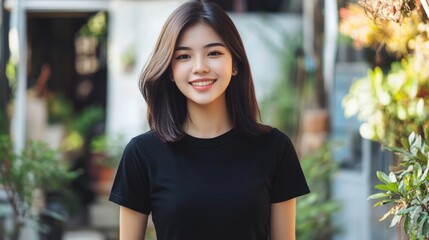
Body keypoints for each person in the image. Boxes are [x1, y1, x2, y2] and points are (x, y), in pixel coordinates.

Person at [109, 1, 310, 239]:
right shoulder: (142, 154)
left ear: (235, 63)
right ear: (170, 71)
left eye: (213, 53)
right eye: (183, 56)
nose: (200, 67)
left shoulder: (275, 148)